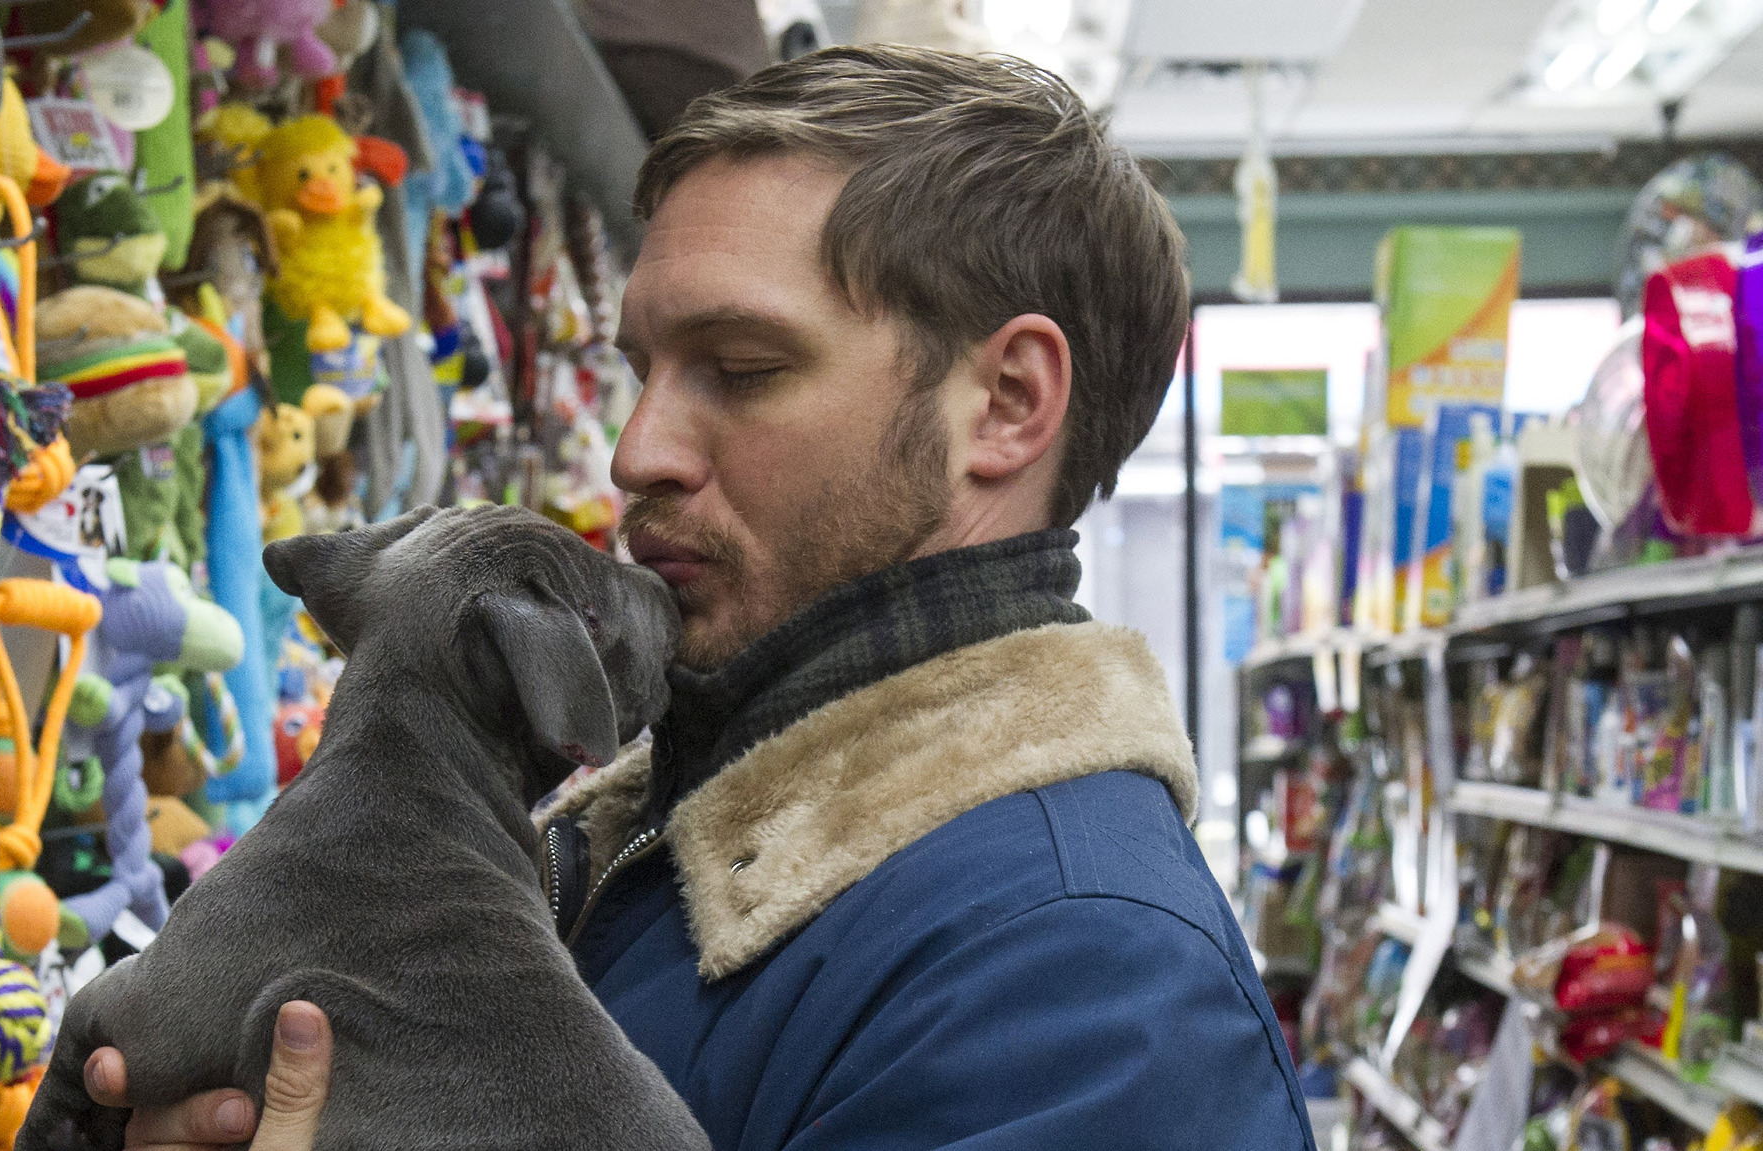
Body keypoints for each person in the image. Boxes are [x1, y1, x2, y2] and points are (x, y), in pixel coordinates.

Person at [84, 44, 1316, 1150]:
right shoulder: (645, 826)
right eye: (639, 367)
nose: (635, 449)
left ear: (1003, 403)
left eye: (740, 367)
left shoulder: (1077, 978)